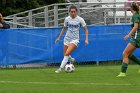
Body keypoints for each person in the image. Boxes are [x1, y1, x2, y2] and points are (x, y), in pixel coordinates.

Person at [55, 5, 89, 73]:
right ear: (69, 12)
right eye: (71, 12)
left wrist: (86, 39)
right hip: (67, 38)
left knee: (67, 53)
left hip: (75, 39)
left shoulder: (80, 19)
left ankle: (60, 69)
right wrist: (59, 37)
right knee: (66, 54)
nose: (73, 13)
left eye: (74, 12)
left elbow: (86, 30)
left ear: (76, 12)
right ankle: (71, 59)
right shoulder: (67, 19)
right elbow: (64, 28)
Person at [117, 1, 140, 77]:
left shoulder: (135, 15)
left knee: (125, 53)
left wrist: (128, 35)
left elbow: (136, 27)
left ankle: (123, 73)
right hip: (137, 36)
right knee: (129, 54)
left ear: (131, 8)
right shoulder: (137, 14)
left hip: (136, 37)